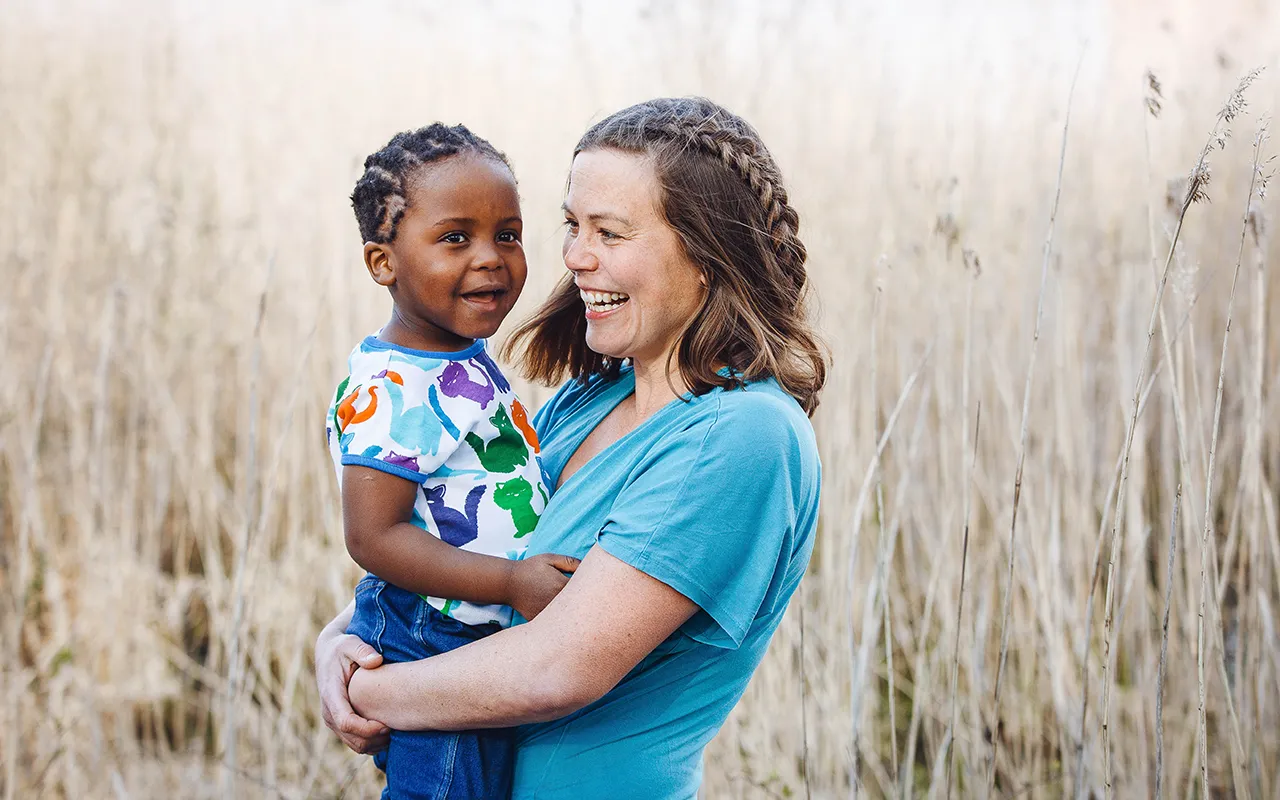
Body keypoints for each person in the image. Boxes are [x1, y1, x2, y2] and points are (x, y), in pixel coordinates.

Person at [316, 97, 827, 799]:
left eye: (610, 233)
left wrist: (368, 692)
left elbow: (557, 667)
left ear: (707, 253)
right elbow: (473, 549)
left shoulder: (742, 438)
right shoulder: (586, 401)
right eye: (571, 225)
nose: (575, 257)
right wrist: (336, 644)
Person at [327, 123, 580, 799]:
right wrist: (509, 582)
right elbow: (372, 537)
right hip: (429, 634)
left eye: (509, 234)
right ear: (384, 264)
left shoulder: (451, 354)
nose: (492, 258)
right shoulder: (393, 387)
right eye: (455, 238)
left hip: (467, 634)